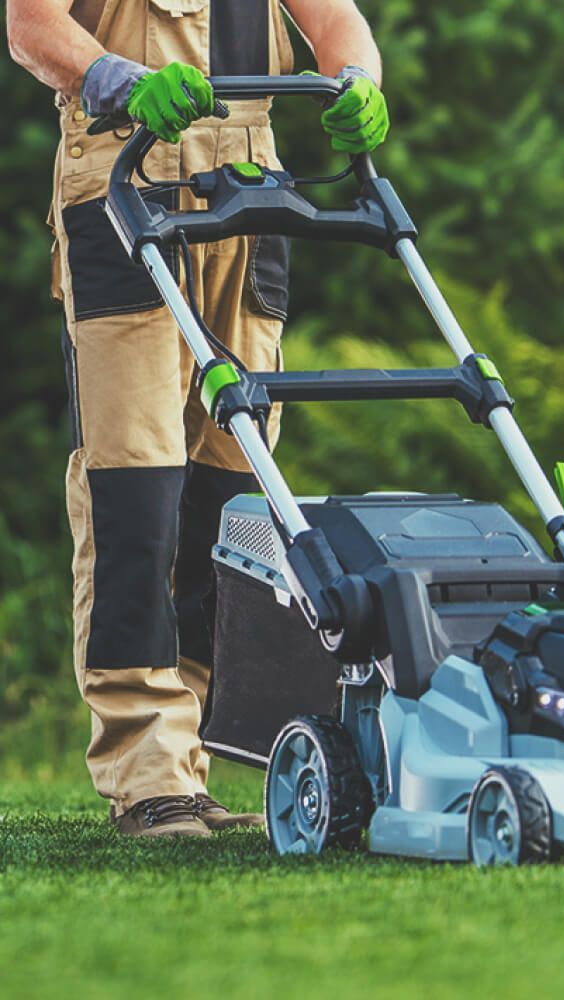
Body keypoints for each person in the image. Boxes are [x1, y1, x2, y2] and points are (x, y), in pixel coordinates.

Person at [6, 0, 389, 838]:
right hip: (122, 184)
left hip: (247, 200)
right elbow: (29, 25)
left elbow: (337, 23)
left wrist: (359, 78)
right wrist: (117, 79)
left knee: (236, 497)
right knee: (134, 490)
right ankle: (147, 769)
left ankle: (198, 758)